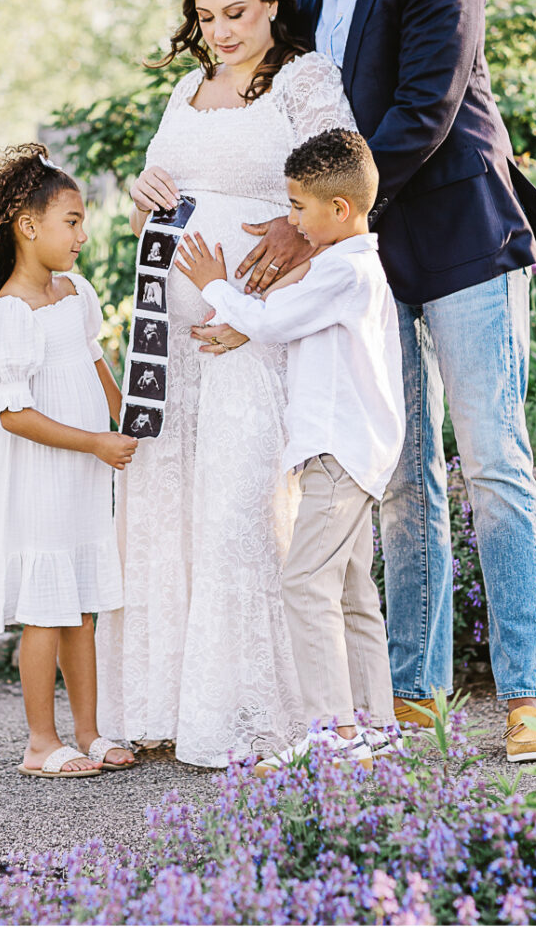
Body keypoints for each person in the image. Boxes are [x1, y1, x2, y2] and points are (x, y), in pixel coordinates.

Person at [243, 0, 536, 761]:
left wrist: (316, 221)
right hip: (370, 259)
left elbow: (424, 109)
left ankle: (527, 698)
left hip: (463, 233)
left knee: (496, 465)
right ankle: (416, 691)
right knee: (400, 472)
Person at [98, 0, 358, 768]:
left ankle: (246, 711)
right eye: (207, 17)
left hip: (253, 315)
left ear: (274, 2)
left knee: (238, 499)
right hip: (168, 328)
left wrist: (260, 304)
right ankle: (166, 702)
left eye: (237, 12)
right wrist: (143, 199)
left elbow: (344, 193)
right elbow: (157, 199)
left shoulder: (304, 81)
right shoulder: (186, 87)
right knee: (168, 496)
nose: (222, 31)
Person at [172, 127, 406, 774]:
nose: (292, 219)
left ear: (340, 210)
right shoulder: (349, 268)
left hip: (340, 453)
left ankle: (334, 732)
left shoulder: (345, 268)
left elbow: (274, 320)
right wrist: (239, 322)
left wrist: (218, 286)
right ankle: (376, 726)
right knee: (353, 590)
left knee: (305, 582)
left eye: (299, 208)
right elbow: (284, 324)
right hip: (348, 453)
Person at [0, 145, 137, 778]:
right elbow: (15, 416)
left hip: (82, 476)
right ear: (29, 227)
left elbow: (94, 361)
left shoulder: (75, 291)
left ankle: (89, 731)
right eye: (72, 221)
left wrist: (127, 421)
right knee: (47, 611)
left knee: (82, 605)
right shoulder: (10, 314)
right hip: (42, 480)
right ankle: (39, 743)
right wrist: (96, 443)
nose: (83, 235)